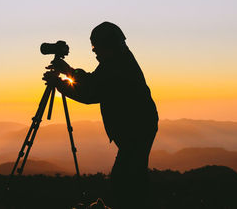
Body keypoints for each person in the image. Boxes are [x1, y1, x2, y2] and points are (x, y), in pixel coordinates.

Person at [43, 22, 158, 208]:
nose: (94, 52)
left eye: (97, 48)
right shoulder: (117, 60)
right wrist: (68, 73)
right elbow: (93, 82)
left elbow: (92, 93)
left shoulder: (117, 66)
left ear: (109, 45)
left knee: (124, 180)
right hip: (140, 126)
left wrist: (62, 84)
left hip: (136, 129)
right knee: (132, 178)